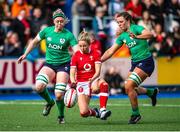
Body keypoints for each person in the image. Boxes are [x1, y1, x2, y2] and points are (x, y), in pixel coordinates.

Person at [17, 8, 79, 124]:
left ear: (65, 21)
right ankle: (50, 102)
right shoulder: (47, 31)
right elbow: (35, 42)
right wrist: (25, 54)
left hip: (63, 65)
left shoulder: (68, 35)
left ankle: (61, 116)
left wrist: (81, 60)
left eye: (61, 21)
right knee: (39, 87)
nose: (59, 23)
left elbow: (77, 50)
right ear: (53, 21)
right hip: (49, 64)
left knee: (59, 94)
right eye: (57, 21)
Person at [101, 11, 158, 124]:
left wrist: (137, 36)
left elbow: (150, 34)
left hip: (146, 61)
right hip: (135, 63)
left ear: (128, 20)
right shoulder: (122, 36)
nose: (120, 24)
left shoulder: (136, 28)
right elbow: (110, 51)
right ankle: (151, 93)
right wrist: (98, 61)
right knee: (129, 88)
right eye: (118, 22)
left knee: (129, 85)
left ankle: (135, 114)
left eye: (121, 22)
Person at [70, 30, 111, 120]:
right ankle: (95, 112)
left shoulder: (96, 53)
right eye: (80, 46)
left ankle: (103, 110)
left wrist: (92, 80)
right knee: (84, 113)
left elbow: (98, 72)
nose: (82, 48)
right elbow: (72, 71)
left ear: (89, 44)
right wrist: (73, 81)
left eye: (84, 45)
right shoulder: (76, 55)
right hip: (81, 83)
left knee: (103, 85)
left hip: (93, 79)